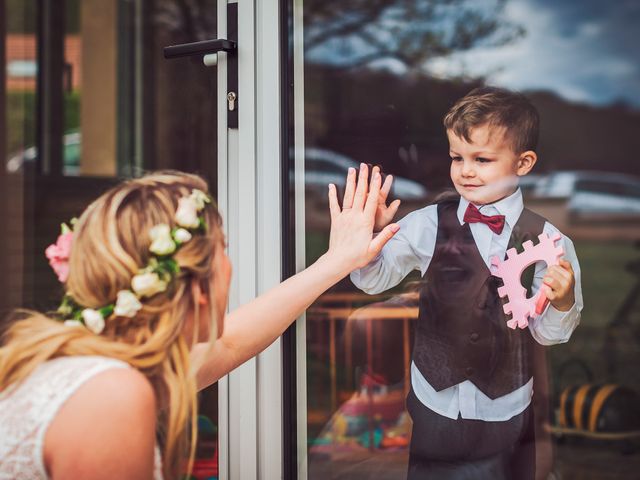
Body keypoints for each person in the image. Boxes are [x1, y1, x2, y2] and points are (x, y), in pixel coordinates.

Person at [0, 167, 398, 480]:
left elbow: (231, 344)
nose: (230, 265)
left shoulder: (91, 356)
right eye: (224, 249)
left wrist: (338, 261)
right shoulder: (109, 392)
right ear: (199, 284)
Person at [350, 86, 583, 479]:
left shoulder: (550, 241)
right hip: (434, 402)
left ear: (523, 163)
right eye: (457, 157)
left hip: (505, 407)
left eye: (482, 159)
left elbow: (547, 335)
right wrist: (369, 243)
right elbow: (374, 280)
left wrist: (563, 302)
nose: (465, 170)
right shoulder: (426, 224)